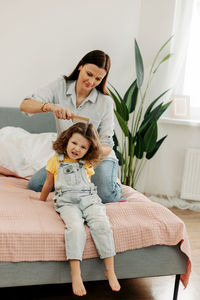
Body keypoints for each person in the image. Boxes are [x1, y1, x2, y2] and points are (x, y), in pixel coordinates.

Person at [19, 50, 122, 203]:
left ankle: (113, 182)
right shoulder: (60, 85)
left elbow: (107, 145)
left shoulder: (105, 102)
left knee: (106, 195)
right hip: (69, 157)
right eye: (89, 74)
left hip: (98, 158)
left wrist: (88, 153)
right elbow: (24, 106)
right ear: (81, 66)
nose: (92, 82)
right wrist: (51, 107)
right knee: (36, 185)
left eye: (98, 79)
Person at [39, 122, 121, 296]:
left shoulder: (87, 163)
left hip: (89, 199)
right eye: (74, 143)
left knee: (102, 225)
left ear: (89, 150)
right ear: (66, 140)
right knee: (75, 228)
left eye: (83, 147)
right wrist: (40, 201)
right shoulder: (55, 160)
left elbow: (89, 181)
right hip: (67, 203)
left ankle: (110, 270)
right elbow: (48, 184)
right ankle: (76, 274)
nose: (77, 149)